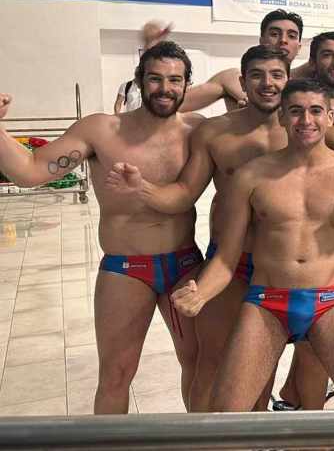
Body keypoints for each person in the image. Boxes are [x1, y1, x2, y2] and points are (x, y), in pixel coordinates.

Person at [106, 45, 334, 412]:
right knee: (218, 377)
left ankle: (299, 422)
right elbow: (189, 199)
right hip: (252, 279)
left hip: (327, 289)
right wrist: (144, 189)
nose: (306, 119)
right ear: (244, 82)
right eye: (257, 75)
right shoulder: (232, 151)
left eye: (277, 75)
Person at [170, 78, 334, 416]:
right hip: (267, 300)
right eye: (295, 111)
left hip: (333, 298)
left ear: (329, 117)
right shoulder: (251, 177)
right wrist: (202, 292)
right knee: (225, 417)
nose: (306, 120)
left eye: (315, 111)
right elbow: (226, 259)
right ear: (281, 116)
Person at [0, 41, 204, 413]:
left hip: (185, 264)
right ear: (139, 80)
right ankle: (112, 441)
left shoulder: (198, 130)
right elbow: (29, 171)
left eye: (175, 80)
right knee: (115, 375)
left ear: (187, 84)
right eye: (155, 78)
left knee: (199, 363)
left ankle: (199, 438)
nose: (165, 88)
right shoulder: (102, 131)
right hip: (126, 269)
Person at [177, 9, 311, 113]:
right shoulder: (231, 79)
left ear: (299, 47)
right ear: (262, 41)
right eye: (274, 34)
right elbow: (175, 103)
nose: (283, 40)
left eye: (291, 36)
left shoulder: (309, 86)